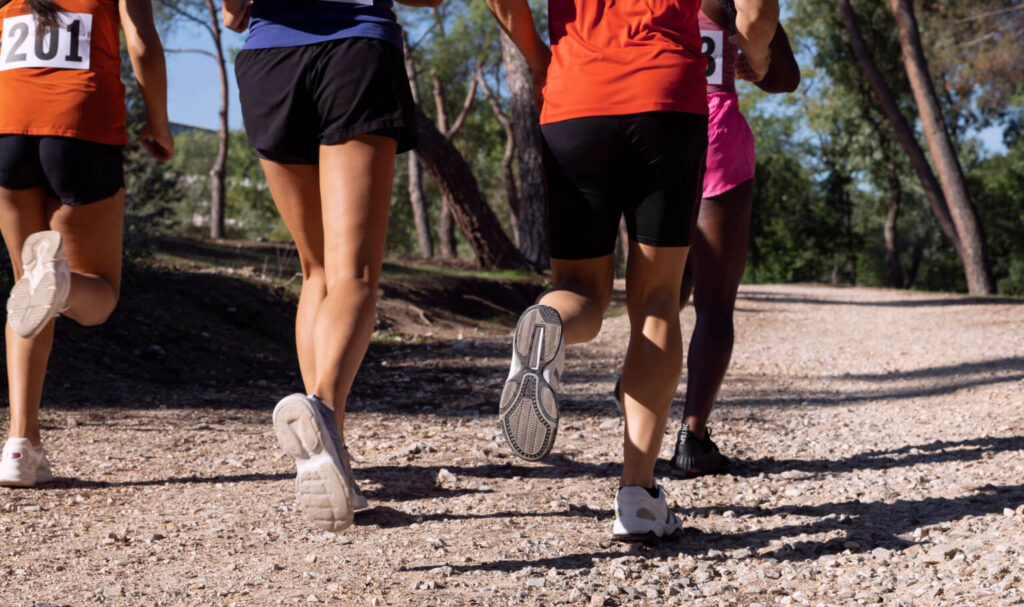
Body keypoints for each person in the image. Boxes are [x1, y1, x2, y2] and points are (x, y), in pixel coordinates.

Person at [489, 0, 779, 541]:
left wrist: (539, 61)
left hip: (574, 98)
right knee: (656, 301)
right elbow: (757, 9)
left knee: (577, 289)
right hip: (667, 100)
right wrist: (754, 54)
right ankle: (638, 497)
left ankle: (546, 323)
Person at [223, 0, 438, 533]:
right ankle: (321, 405)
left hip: (270, 62)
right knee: (353, 273)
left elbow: (231, 12)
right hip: (355, 52)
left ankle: (329, 449)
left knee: (316, 269)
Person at [0, 0, 173, 487]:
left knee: (26, 292)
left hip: (8, 124)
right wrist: (158, 123)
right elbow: (141, 43)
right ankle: (61, 282)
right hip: (82, 126)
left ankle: (19, 447)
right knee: (96, 294)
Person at [669, 0, 799, 475]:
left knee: (660, 293)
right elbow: (786, 77)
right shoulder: (726, 2)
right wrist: (758, 63)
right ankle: (693, 437)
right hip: (715, 138)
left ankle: (635, 401)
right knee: (714, 302)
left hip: (652, 134)